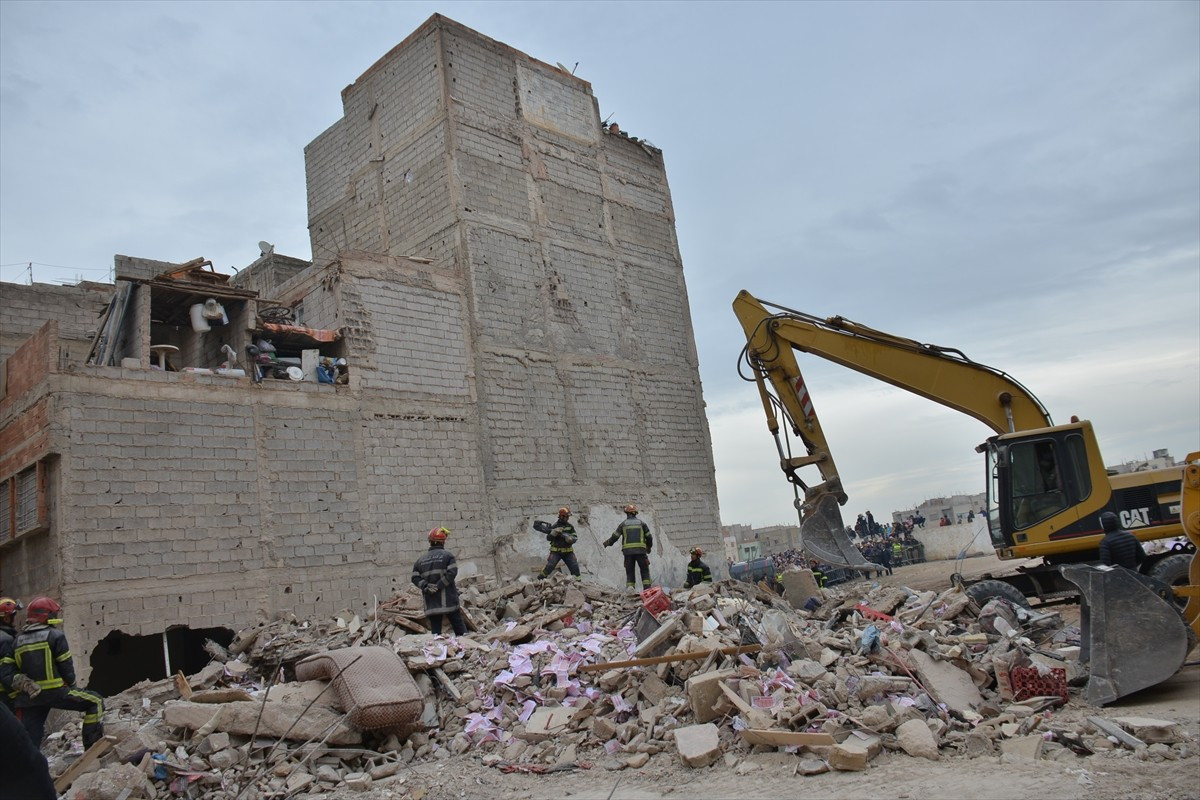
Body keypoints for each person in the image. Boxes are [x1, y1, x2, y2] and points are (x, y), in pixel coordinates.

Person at [13, 596, 106, 750]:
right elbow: (66, 666)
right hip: (56, 692)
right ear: (46, 616)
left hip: (29, 698)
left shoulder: (18, 640)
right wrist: (72, 686)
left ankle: (31, 768)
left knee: (30, 741)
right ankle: (92, 747)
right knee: (95, 701)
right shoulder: (55, 636)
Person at [411, 527, 467, 636]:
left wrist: (427, 587)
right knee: (460, 629)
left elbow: (414, 578)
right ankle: (466, 649)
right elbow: (452, 573)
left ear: (430, 541)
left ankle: (437, 651)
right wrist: (439, 586)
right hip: (449, 602)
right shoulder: (448, 556)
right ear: (443, 542)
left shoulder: (420, 560)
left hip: (432, 603)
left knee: (436, 633)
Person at [604, 504, 652, 591]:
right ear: (635, 513)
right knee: (644, 571)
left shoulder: (623, 524)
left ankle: (631, 592)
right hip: (641, 552)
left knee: (630, 573)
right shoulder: (642, 524)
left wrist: (607, 543)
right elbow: (649, 537)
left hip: (628, 553)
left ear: (627, 514)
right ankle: (648, 592)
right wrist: (649, 547)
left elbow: (615, 537)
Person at [538, 507, 581, 580]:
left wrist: (571, 539)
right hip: (556, 552)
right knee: (550, 566)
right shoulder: (554, 526)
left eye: (568, 517)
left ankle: (578, 584)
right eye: (566, 517)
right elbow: (548, 538)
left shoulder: (570, 527)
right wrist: (553, 533)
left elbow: (575, 537)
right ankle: (540, 579)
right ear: (561, 516)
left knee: (575, 567)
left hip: (568, 552)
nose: (567, 518)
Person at [0, 597, 20, 711]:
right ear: (7, 618)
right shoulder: (5, 640)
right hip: (5, 696)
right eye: (14, 616)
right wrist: (15, 696)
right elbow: (6, 673)